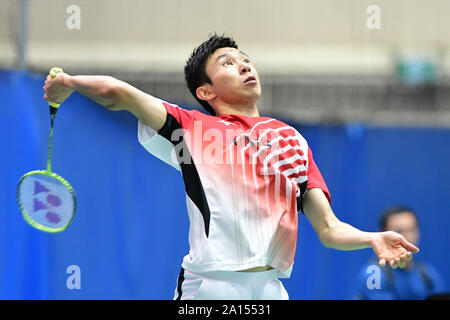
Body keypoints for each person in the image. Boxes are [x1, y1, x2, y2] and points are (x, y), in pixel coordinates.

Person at [43, 34, 419, 300]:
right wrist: (70, 83)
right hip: (209, 289)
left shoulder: (292, 140)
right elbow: (117, 93)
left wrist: (371, 238)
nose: (243, 67)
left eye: (245, 61)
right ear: (206, 91)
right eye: (227, 64)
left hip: (270, 289)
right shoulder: (190, 128)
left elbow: (329, 228)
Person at [356, 206, 446, 300]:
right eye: (399, 231)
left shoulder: (428, 273)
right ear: (383, 234)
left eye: (412, 229)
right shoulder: (373, 273)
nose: (408, 236)